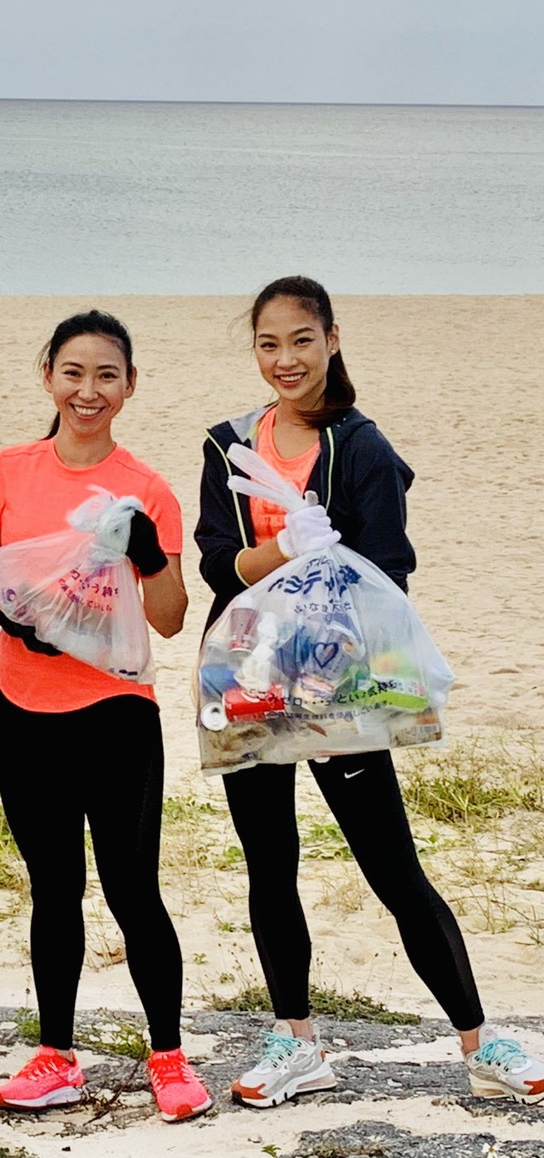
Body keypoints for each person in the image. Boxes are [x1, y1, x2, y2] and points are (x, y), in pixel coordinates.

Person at [196, 276, 544, 1109]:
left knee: (391, 866)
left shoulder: (362, 448)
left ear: (333, 339)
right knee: (268, 864)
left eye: (302, 341)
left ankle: (477, 1040)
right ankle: (297, 1040)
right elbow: (214, 564)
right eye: (269, 343)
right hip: (245, 681)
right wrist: (288, 548)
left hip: (339, 691)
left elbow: (390, 578)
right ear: (255, 349)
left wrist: (327, 573)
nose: (285, 359)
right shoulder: (229, 445)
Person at [0, 311, 213, 1122]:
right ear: (48, 376)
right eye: (73, 373)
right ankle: (56, 1055)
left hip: (116, 714)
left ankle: (169, 1059)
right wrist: (9, 619)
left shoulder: (147, 489)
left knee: (133, 890)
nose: (89, 391)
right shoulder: (6, 469)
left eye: (107, 376)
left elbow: (171, 617)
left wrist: (145, 554)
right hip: (24, 704)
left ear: (130, 386)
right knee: (53, 888)